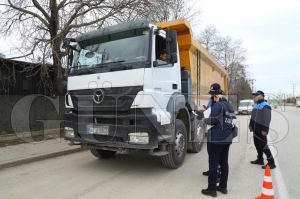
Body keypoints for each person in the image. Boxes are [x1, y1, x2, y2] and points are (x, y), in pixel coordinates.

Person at [201, 84, 236, 197]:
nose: (212, 98)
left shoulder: (217, 105)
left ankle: (212, 189)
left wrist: (204, 120)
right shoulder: (229, 106)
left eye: (212, 96)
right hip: (227, 138)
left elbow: (213, 121)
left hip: (216, 139)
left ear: (216, 96)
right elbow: (231, 120)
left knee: (213, 163)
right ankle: (223, 186)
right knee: (224, 163)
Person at [249, 90, 276, 169]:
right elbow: (253, 117)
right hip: (255, 129)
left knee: (264, 146)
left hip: (261, 130)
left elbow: (267, 119)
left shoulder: (265, 106)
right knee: (257, 145)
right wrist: (250, 125)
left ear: (262, 96)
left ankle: (271, 162)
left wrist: (265, 129)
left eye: (256, 95)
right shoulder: (256, 105)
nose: (255, 96)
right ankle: (260, 159)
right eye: (254, 95)